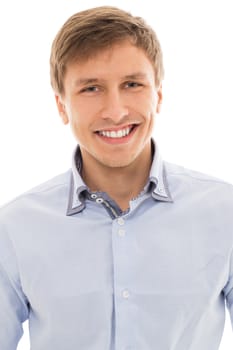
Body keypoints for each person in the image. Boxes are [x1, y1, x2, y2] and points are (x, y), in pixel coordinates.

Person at [0, 5, 233, 350]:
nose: (116, 111)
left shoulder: (224, 212)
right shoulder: (15, 228)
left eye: (132, 84)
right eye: (91, 88)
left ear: (159, 95)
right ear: (61, 106)